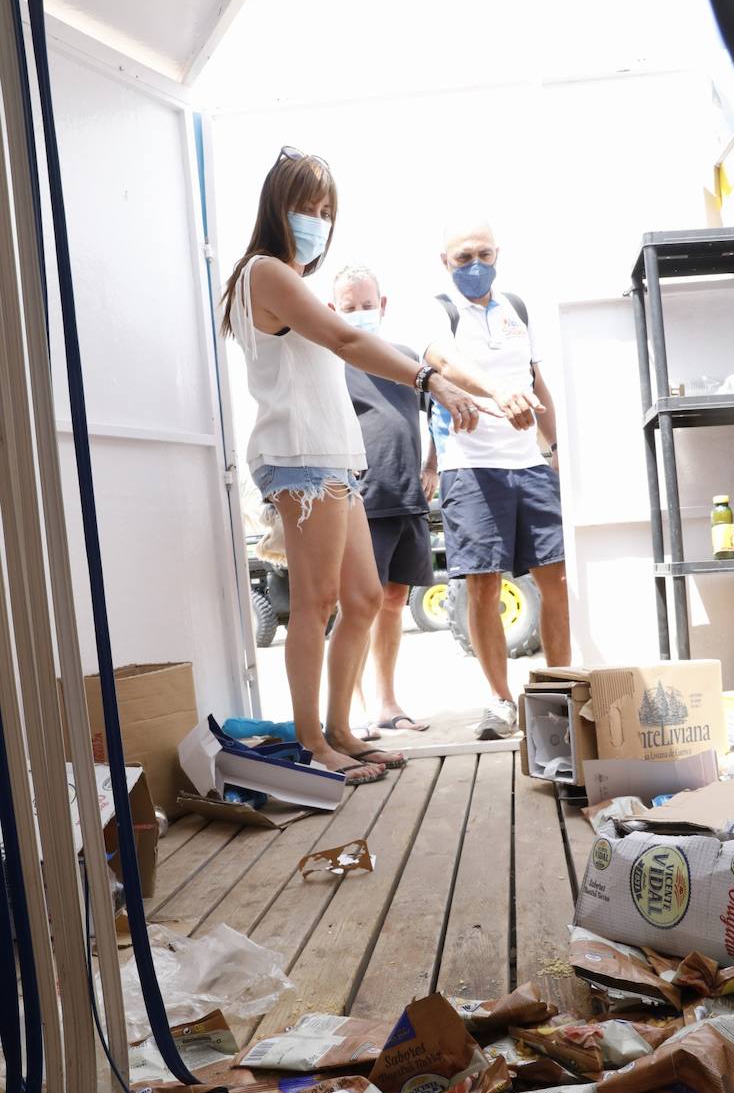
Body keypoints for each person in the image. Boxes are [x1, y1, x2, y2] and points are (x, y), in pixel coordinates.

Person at [221, 149, 484, 784]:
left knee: (364, 596)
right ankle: (313, 744)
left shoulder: (291, 280)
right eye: (306, 208)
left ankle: (341, 728)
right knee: (314, 603)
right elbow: (346, 340)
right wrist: (431, 381)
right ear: (275, 208)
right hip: (299, 461)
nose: (316, 221)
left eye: (326, 211)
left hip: (335, 463)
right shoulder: (264, 273)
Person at [421, 218, 571, 739]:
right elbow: (443, 360)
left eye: (483, 254)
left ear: (497, 254)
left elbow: (536, 381)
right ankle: (500, 701)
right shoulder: (438, 311)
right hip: (470, 466)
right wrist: (495, 393)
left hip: (528, 465)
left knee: (557, 579)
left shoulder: (517, 309)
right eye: (462, 258)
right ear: (446, 262)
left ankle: (558, 690)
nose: (474, 266)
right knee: (483, 586)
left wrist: (556, 449)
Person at [330, 263, 434, 735]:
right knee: (355, 606)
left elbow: (442, 418)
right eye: (349, 308)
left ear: (383, 305)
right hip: (358, 502)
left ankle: (387, 703)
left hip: (407, 497)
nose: (360, 314)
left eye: (367, 305)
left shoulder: (407, 358)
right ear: (333, 311)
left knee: (394, 602)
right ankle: (350, 714)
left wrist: (431, 467)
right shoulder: (329, 364)